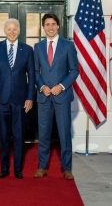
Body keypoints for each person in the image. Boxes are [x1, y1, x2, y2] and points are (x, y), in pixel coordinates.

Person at [0, 18, 35, 179]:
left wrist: (30, 98)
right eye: (9, 29)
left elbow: (32, 77)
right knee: (3, 135)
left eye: (15, 29)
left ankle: (18, 169)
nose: (12, 32)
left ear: (19, 31)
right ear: (5, 31)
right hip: (1, 100)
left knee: (19, 136)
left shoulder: (27, 50)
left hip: (20, 101)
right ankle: (4, 168)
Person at [33, 13, 79, 180]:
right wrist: (42, 86)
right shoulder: (38, 47)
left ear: (58, 26)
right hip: (43, 97)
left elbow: (74, 70)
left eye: (53, 24)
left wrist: (61, 86)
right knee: (43, 133)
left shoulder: (68, 46)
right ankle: (42, 167)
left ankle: (67, 168)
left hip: (62, 95)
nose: (50, 27)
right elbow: (35, 72)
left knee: (64, 133)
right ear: (43, 27)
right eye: (47, 24)